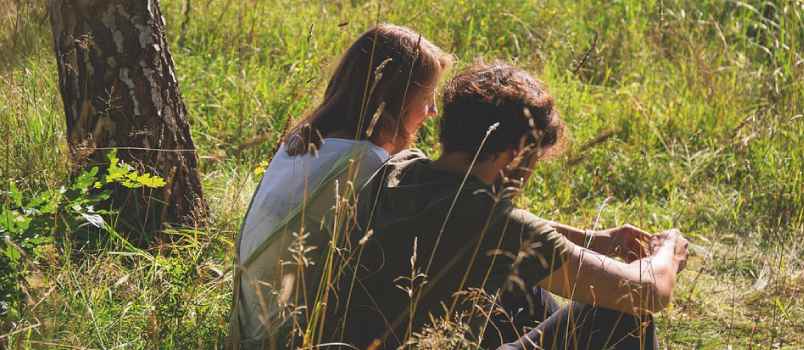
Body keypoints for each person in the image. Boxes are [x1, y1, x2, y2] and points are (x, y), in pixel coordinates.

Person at [321, 62, 688, 349]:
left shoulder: (401, 169)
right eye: (533, 162)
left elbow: (502, 227)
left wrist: (595, 241)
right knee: (624, 311)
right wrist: (667, 252)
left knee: (524, 287)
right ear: (514, 155)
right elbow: (646, 291)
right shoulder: (497, 227)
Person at [226, 24, 452, 349]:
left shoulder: (300, 142)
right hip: (294, 338)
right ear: (395, 99)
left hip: (248, 331)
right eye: (427, 98)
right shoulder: (364, 162)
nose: (432, 111)